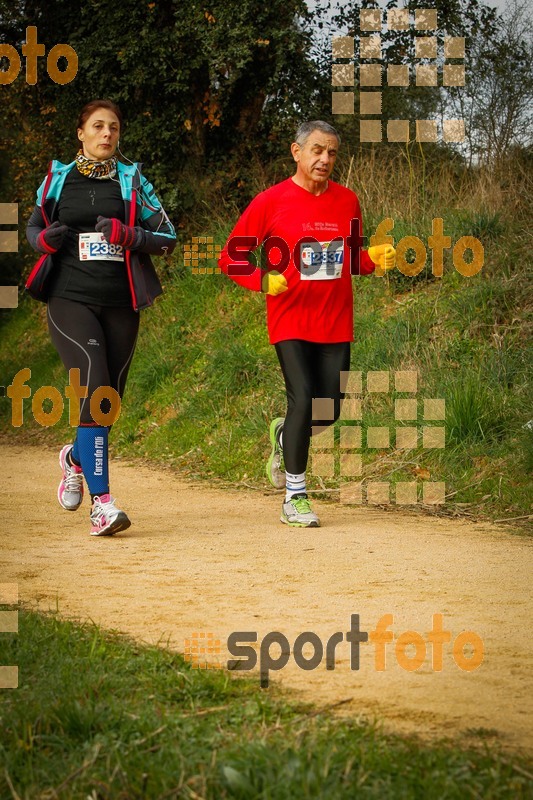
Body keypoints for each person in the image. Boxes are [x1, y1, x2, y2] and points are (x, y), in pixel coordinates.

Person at [218, 120, 395, 528]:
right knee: (301, 397)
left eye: (332, 153)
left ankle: (284, 438)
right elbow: (231, 256)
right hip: (290, 316)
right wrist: (261, 279)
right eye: (316, 150)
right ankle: (294, 495)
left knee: (328, 406)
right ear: (296, 152)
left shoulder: (347, 201)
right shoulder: (271, 200)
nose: (324, 159)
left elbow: (351, 258)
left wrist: (373, 259)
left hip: (335, 318)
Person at [26, 99, 176, 536]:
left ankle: (75, 458)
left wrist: (131, 235)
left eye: (113, 127)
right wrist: (43, 240)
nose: (106, 134)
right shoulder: (58, 178)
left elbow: (167, 237)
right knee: (94, 384)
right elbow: (34, 227)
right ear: (81, 133)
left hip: (121, 303)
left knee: (107, 403)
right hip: (69, 298)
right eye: (97, 126)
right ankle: (103, 505)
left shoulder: (133, 182)